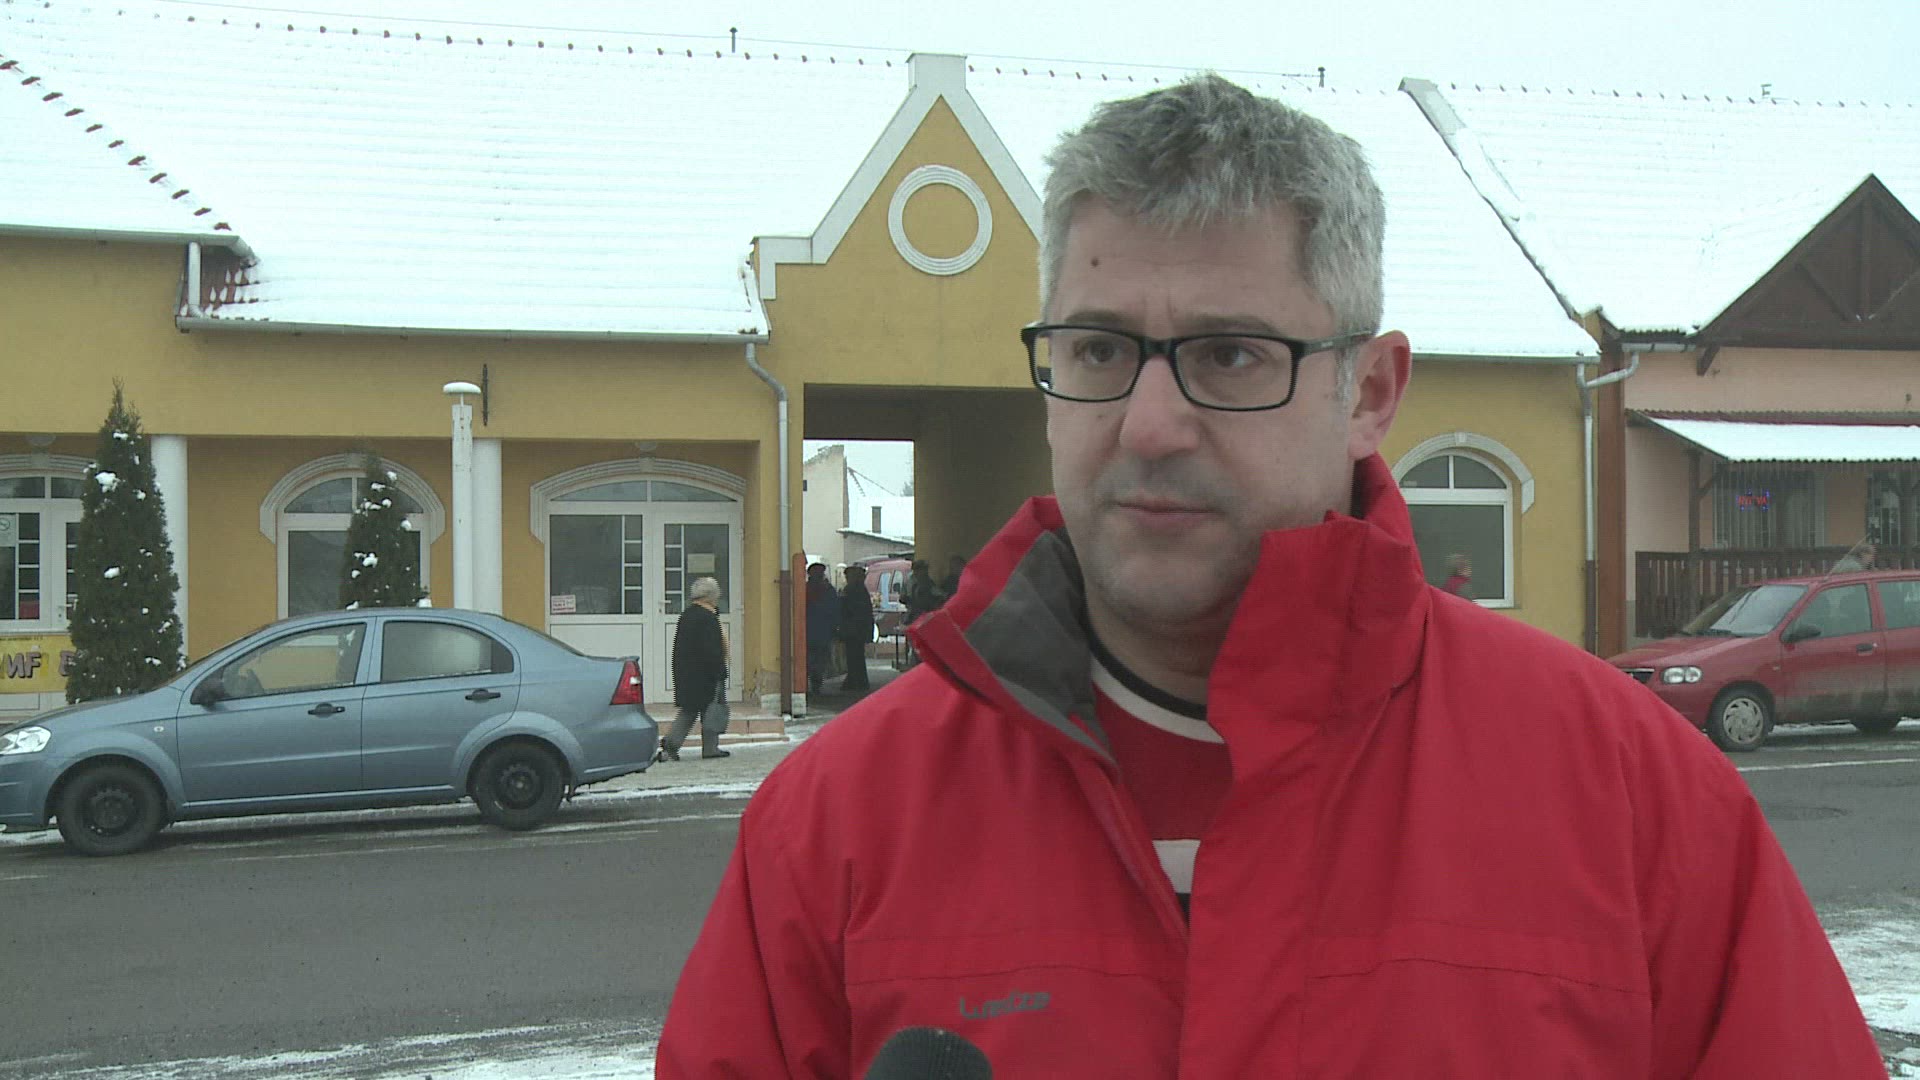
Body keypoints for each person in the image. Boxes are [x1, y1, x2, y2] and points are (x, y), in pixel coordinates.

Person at [658, 75, 1882, 1077]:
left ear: (1370, 391)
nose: (1148, 425)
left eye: (1230, 355)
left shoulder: (1635, 804)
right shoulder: (836, 827)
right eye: (1098, 350)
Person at [659, 576, 729, 761]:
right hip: (706, 674)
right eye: (716, 594)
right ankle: (709, 748)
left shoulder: (688, 615)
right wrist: (719, 671)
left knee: (690, 709)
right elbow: (712, 649)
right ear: (710, 596)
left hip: (688, 672)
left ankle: (670, 747)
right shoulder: (708, 618)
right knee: (711, 710)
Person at [835, 563, 874, 692]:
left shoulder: (851, 590)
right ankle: (858, 680)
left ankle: (855, 680)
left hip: (853, 629)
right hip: (859, 628)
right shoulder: (861, 590)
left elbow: (847, 609)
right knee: (857, 656)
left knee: (853, 656)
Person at [803, 561, 837, 694]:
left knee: (815, 659)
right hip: (816, 629)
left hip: (814, 629)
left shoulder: (806, 588)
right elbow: (835, 609)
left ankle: (814, 684)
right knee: (816, 659)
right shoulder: (826, 589)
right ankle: (814, 684)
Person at [902, 559, 941, 624]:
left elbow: (938, 594)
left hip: (924, 614)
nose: (926, 571)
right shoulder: (910, 582)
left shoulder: (928, 582)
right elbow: (902, 598)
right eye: (924, 569)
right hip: (914, 614)